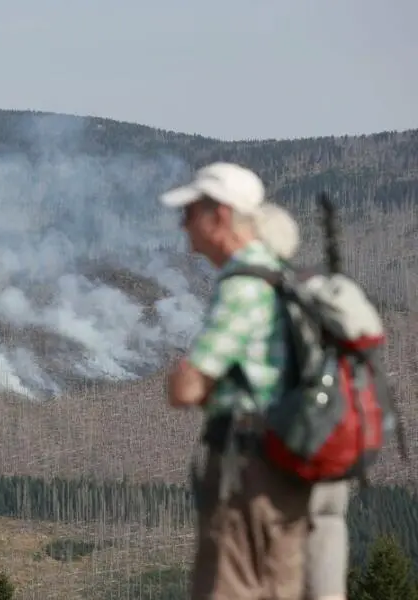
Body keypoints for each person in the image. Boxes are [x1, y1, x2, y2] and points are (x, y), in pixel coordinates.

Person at [160, 162, 312, 599]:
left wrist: (185, 378)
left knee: (226, 587)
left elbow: (186, 388)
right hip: (287, 460)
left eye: (189, 213)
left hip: (248, 465)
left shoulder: (242, 285)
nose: (184, 225)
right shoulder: (279, 274)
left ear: (220, 216)